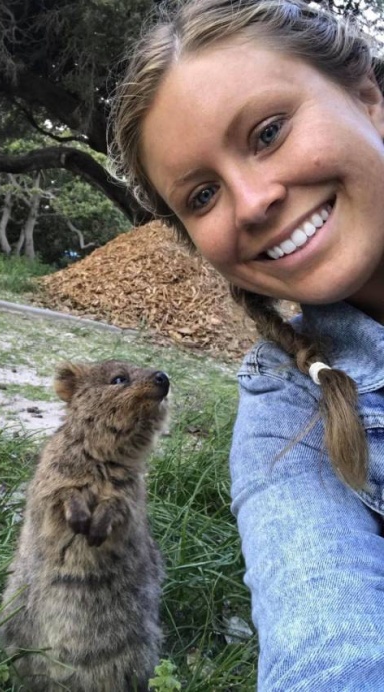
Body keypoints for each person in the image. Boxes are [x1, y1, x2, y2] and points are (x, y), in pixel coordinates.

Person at [109, 0, 384, 689]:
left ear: (368, 98)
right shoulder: (286, 410)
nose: (254, 200)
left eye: (267, 132)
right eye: (202, 196)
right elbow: (326, 651)